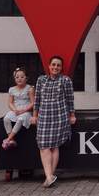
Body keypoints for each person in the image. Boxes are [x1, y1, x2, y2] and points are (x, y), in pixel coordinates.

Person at [31, 55, 75, 187]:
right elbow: (37, 99)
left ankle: (49, 177)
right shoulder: (41, 80)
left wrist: (72, 115)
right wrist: (34, 115)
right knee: (43, 146)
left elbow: (70, 99)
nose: (56, 67)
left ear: (61, 68)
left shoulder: (65, 80)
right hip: (44, 117)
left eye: (58, 65)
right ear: (49, 66)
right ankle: (50, 176)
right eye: (53, 65)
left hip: (59, 116)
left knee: (54, 146)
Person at [1, 67, 34, 149]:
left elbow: (33, 102)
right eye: (17, 77)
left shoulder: (30, 89)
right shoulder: (12, 89)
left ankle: (8, 139)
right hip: (16, 110)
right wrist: (14, 109)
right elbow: (10, 102)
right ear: (14, 78)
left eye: (22, 77)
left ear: (26, 78)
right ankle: (12, 139)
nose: (19, 79)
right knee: (6, 118)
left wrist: (24, 110)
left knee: (21, 119)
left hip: (26, 111)